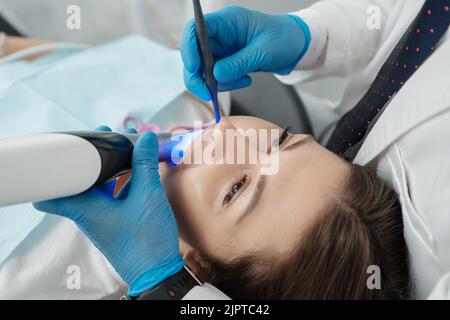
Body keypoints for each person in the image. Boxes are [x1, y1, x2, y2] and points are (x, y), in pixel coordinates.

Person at [6, 0, 450, 299]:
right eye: (280, 140)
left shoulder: (28, 271)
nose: (237, 140)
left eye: (237, 190)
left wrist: (164, 285)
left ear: (193, 264)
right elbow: (44, 57)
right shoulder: (191, 105)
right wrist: (308, 36)